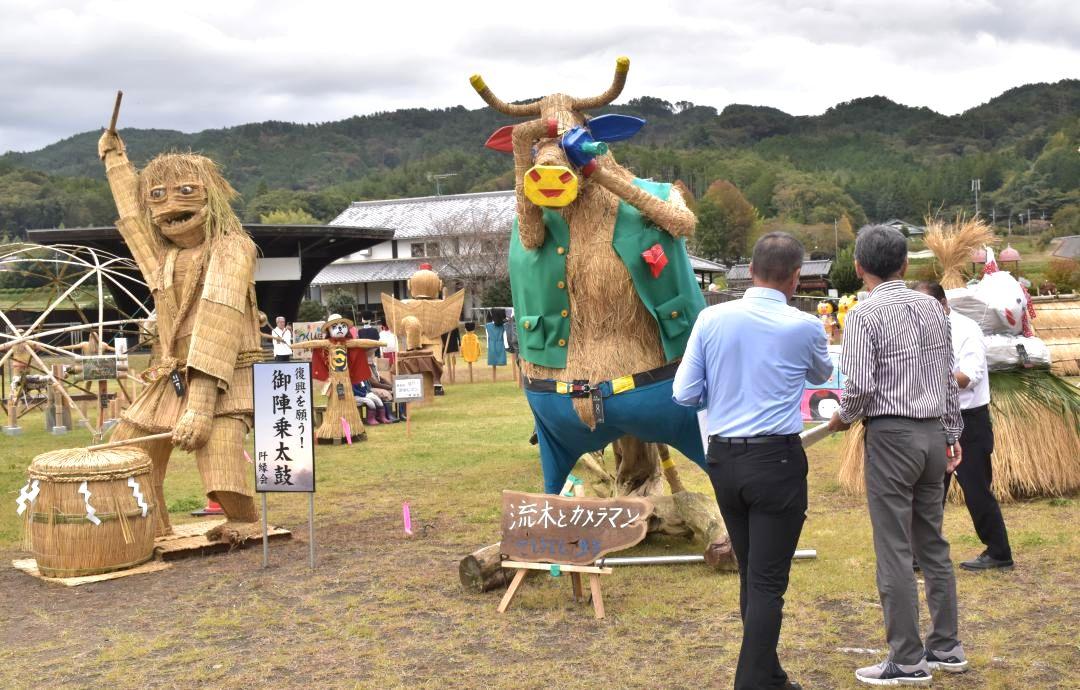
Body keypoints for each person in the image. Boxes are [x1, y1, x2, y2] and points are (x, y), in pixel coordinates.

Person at [674, 231, 832, 690]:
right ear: (796, 275)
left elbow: (684, 393)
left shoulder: (711, 318)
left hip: (723, 458)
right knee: (767, 582)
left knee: (752, 574)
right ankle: (752, 682)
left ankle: (769, 674)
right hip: (776, 461)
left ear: (750, 271)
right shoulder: (804, 325)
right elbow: (821, 374)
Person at [828, 225, 967, 685]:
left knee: (894, 547)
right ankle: (946, 646)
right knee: (932, 542)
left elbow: (861, 387)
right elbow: (948, 377)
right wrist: (952, 433)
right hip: (932, 435)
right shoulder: (932, 306)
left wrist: (843, 417)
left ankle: (906, 658)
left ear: (858, 267)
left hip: (892, 435)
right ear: (905, 264)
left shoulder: (864, 314)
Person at [914, 281, 1014, 571]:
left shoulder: (966, 329)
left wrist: (928, 384)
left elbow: (969, 375)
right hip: (936, 418)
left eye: (927, 307)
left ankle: (999, 552)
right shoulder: (921, 331)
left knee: (976, 488)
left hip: (969, 419)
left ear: (944, 304)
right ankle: (920, 553)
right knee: (930, 489)